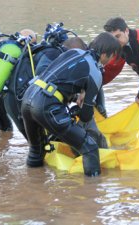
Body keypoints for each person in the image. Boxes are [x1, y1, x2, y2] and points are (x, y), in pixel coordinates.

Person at [21, 32, 121, 176]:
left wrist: (75, 97)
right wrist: (79, 110)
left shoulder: (74, 52)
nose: (111, 60)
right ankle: (93, 191)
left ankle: (33, 185)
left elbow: (57, 79)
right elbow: (86, 116)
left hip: (28, 97)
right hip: (46, 105)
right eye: (112, 56)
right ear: (105, 54)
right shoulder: (95, 72)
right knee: (90, 147)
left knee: (37, 151)